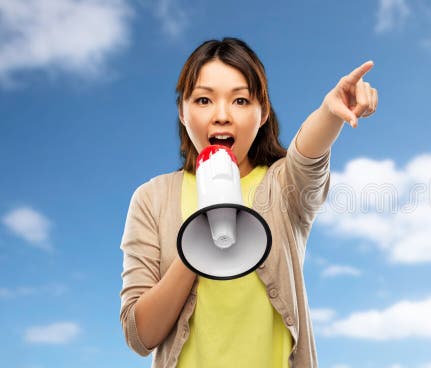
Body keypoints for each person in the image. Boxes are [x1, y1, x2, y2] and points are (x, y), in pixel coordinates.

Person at [119, 37, 378, 367]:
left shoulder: (283, 187)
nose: (222, 115)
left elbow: (308, 155)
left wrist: (331, 113)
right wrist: (196, 247)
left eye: (240, 101)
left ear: (263, 112)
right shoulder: (152, 198)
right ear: (182, 113)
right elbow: (140, 335)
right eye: (203, 100)